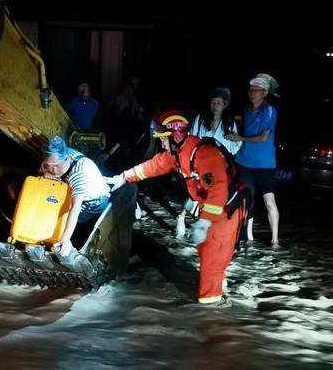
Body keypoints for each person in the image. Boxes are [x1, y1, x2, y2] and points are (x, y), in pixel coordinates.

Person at [105, 110, 247, 306]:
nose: (161, 143)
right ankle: (219, 291)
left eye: (163, 139)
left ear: (176, 135)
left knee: (212, 257)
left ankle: (211, 308)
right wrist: (123, 177)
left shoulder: (206, 155)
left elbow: (218, 192)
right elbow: (154, 165)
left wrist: (204, 222)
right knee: (208, 253)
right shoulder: (179, 153)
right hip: (214, 209)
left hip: (227, 210)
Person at [226, 73, 280, 246]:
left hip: (265, 164)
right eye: (251, 90)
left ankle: (275, 240)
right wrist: (238, 121)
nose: (252, 93)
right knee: (245, 197)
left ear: (264, 93)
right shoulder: (246, 109)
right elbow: (245, 124)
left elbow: (263, 137)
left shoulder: (269, 110)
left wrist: (240, 138)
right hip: (244, 162)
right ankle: (244, 234)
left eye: (256, 91)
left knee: (269, 201)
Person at [41, 136, 110, 256]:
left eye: (56, 166)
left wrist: (65, 239)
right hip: (85, 188)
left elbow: (75, 208)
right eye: (49, 165)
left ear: (66, 157)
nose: (52, 169)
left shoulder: (78, 176)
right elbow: (47, 165)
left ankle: (69, 240)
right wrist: (46, 171)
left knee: (63, 218)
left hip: (94, 203)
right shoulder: (62, 152)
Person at [190, 87, 242, 156]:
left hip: (222, 162)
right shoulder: (200, 118)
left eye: (218, 103)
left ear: (224, 105)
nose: (215, 106)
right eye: (213, 103)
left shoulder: (230, 123)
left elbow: (235, 147)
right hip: (201, 159)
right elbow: (192, 138)